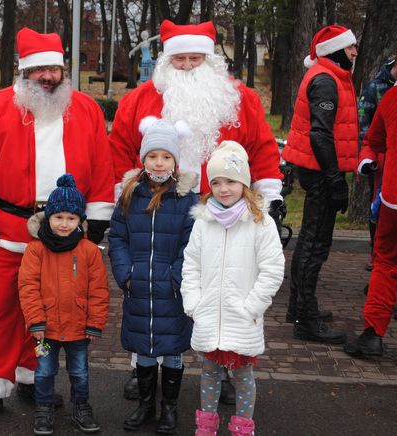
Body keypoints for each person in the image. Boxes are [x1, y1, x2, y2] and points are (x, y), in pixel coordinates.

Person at [110, 19, 283, 405]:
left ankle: (224, 369)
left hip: (224, 219)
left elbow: (264, 150)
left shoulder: (242, 100)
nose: (187, 65)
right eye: (180, 58)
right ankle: (145, 370)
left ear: (210, 60)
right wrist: (124, 198)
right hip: (155, 217)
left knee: (224, 293)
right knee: (151, 297)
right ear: (167, 61)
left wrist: (269, 196)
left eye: (195, 58)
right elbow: (118, 152)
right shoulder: (138, 100)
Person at [0, 27, 114, 423]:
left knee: (47, 312)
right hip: (9, 230)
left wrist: (94, 228)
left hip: (65, 231)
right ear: (24, 71)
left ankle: (33, 377)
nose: (48, 76)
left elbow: (100, 168)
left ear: (64, 72)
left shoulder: (87, 110)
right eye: (39, 69)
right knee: (0, 309)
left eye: (55, 69)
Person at [181, 141, 285, 436]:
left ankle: (242, 428)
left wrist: (251, 306)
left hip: (242, 315)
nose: (224, 188)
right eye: (216, 182)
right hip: (209, 315)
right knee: (210, 372)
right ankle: (207, 428)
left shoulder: (260, 222)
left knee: (242, 375)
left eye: (231, 181)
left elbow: (273, 269)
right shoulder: (204, 222)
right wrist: (194, 303)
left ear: (244, 182)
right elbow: (191, 265)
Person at [109, 117, 197, 434]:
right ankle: (145, 405)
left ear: (174, 161)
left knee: (171, 351)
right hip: (138, 287)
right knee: (144, 349)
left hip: (171, 291)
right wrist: (126, 274)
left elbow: (191, 245)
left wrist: (176, 279)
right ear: (144, 159)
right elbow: (118, 238)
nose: (159, 162)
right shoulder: (130, 196)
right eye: (153, 156)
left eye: (166, 156)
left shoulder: (187, 199)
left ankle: (169, 409)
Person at [282, 25, 358, 343]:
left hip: (318, 170)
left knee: (310, 242)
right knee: (316, 245)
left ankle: (299, 307)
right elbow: (320, 134)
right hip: (320, 171)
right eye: (351, 46)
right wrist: (334, 179)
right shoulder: (326, 80)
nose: (355, 51)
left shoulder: (331, 76)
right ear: (335, 50)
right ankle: (306, 320)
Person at [19, 174, 109, 435]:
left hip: (79, 326)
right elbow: (28, 287)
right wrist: (35, 320)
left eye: (72, 218)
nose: (65, 224)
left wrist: (94, 322)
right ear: (49, 217)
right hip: (44, 328)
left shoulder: (89, 251)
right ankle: (43, 408)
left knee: (79, 372)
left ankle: (81, 406)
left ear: (80, 220)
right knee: (44, 372)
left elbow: (99, 290)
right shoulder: (36, 250)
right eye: (59, 217)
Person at [343, 71, 397, 358]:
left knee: (388, 264)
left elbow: (373, 140)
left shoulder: (394, 95)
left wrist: (367, 161)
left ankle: (372, 335)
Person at [357, 45, 397, 272]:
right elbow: (365, 121)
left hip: (395, 161)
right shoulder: (377, 87)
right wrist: (369, 157)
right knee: (377, 210)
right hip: (380, 161)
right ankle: (376, 256)